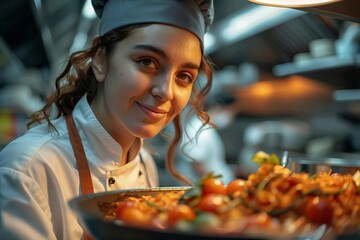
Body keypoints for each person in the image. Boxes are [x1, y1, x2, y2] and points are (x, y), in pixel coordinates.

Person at [0, 0, 214, 239]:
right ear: (101, 60)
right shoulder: (26, 169)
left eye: (184, 76)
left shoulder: (144, 162)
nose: (166, 91)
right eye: (147, 62)